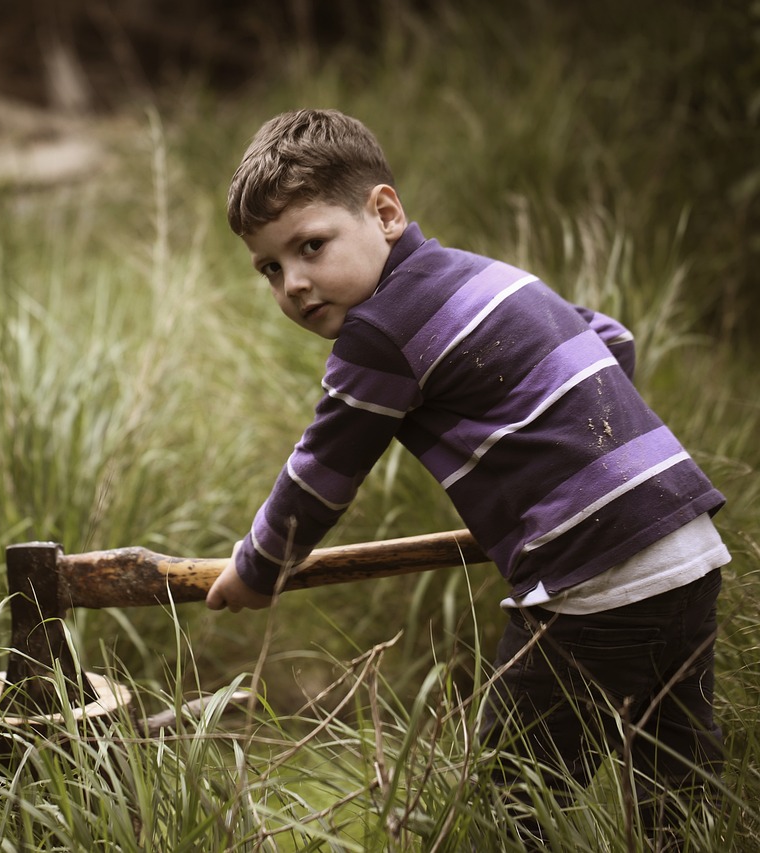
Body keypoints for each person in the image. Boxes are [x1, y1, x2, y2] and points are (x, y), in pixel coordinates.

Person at [204, 108, 730, 843]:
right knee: (677, 777)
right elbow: (611, 336)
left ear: (384, 212)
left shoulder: (379, 331)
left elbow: (322, 472)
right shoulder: (488, 276)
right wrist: (587, 465)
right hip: (688, 545)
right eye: (270, 267)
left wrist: (259, 569)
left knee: (509, 799)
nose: (292, 283)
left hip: (598, 582)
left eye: (310, 246)